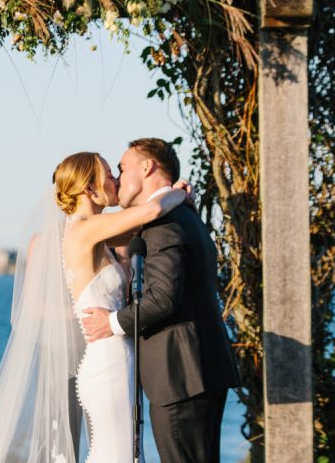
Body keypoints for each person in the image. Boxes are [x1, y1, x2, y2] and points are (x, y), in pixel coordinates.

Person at [0, 150, 191, 463]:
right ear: (89, 188)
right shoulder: (84, 229)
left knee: (120, 453)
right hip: (106, 360)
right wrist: (176, 192)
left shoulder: (98, 231)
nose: (115, 181)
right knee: (115, 455)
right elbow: (151, 210)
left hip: (116, 357)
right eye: (109, 174)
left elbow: (142, 226)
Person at [82, 138, 241, 463]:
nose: (120, 178)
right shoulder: (182, 215)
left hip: (181, 375)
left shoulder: (164, 224)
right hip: (195, 372)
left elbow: (164, 298)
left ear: (147, 167)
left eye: (123, 168)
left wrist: (110, 323)